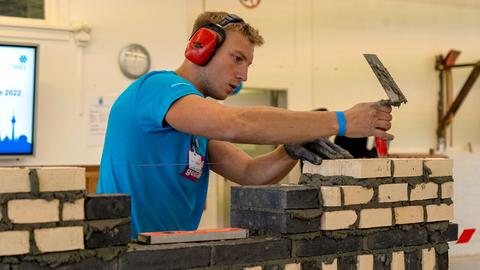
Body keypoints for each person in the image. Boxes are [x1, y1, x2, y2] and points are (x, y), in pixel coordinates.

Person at [97, 11, 393, 238]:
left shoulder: (197, 127)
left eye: (248, 64)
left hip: (166, 252)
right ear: (201, 47)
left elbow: (250, 173)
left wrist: (289, 151)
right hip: (124, 252)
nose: (243, 75)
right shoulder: (158, 87)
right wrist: (340, 121)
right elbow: (236, 123)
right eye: (237, 58)